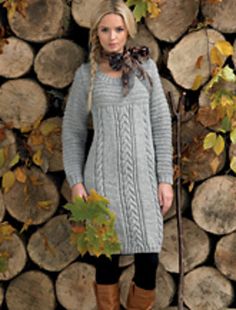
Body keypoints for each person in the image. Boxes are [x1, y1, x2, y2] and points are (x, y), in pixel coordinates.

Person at [62, 0, 173, 309]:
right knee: (106, 266)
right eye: (105, 29)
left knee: (148, 263)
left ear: (129, 31)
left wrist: (165, 179)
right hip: (101, 187)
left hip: (143, 185)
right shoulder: (86, 76)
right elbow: (72, 132)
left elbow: (161, 125)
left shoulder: (146, 69)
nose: (112, 37)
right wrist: (76, 182)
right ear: (96, 33)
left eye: (119, 29)